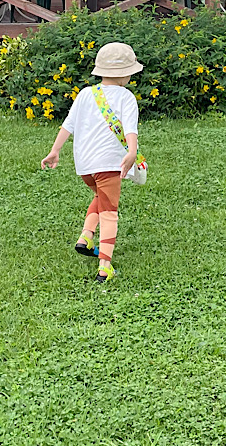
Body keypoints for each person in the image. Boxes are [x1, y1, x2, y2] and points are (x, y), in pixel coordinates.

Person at [40, 41, 142, 283]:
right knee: (110, 211)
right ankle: (104, 266)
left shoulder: (86, 93)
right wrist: (132, 152)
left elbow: (68, 124)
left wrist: (55, 151)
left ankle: (86, 236)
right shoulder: (126, 97)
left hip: (85, 166)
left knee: (99, 198)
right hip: (108, 164)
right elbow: (130, 129)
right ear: (126, 74)